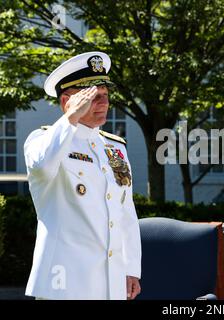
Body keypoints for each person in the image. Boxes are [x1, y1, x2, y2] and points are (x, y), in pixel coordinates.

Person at [24, 51, 142, 300]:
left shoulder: (115, 148)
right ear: (68, 101)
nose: (104, 104)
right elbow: (43, 166)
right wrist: (70, 118)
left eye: (106, 96)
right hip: (64, 286)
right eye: (94, 98)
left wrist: (131, 268)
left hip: (111, 282)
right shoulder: (42, 141)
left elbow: (126, 213)